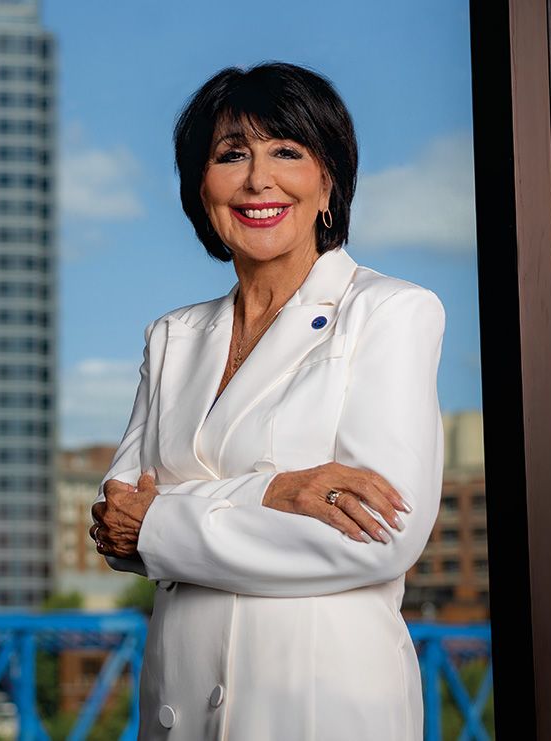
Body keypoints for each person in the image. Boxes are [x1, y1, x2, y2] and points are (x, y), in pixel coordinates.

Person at [88, 62, 445, 740]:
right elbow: (116, 523)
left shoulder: (389, 311)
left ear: (328, 181)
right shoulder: (172, 336)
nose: (258, 179)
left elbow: (377, 537)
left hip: (317, 706)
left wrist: (167, 523)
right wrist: (278, 492)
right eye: (231, 155)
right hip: (180, 704)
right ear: (201, 186)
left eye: (287, 151)